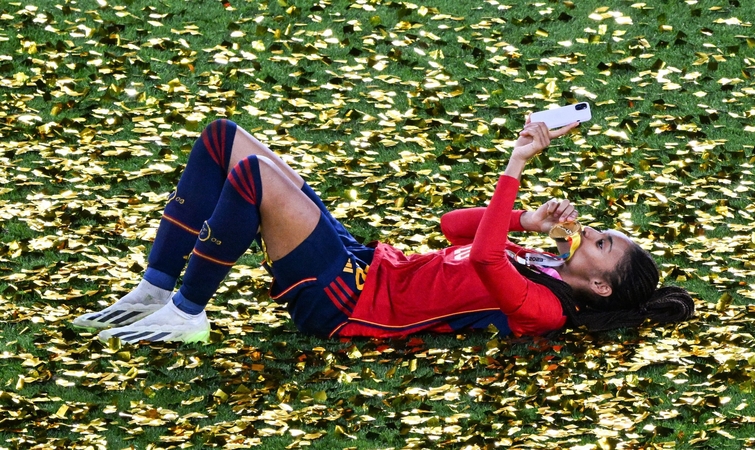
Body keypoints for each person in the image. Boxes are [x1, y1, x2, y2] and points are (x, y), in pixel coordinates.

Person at [72, 117, 694, 343]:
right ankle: (156, 288)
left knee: (252, 179)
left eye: (606, 245)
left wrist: (516, 166)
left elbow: (481, 261)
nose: (595, 234)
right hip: (363, 260)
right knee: (223, 141)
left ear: (603, 288)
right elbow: (454, 228)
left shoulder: (546, 310)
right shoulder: (544, 259)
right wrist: (526, 219)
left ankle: (186, 311)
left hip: (348, 302)